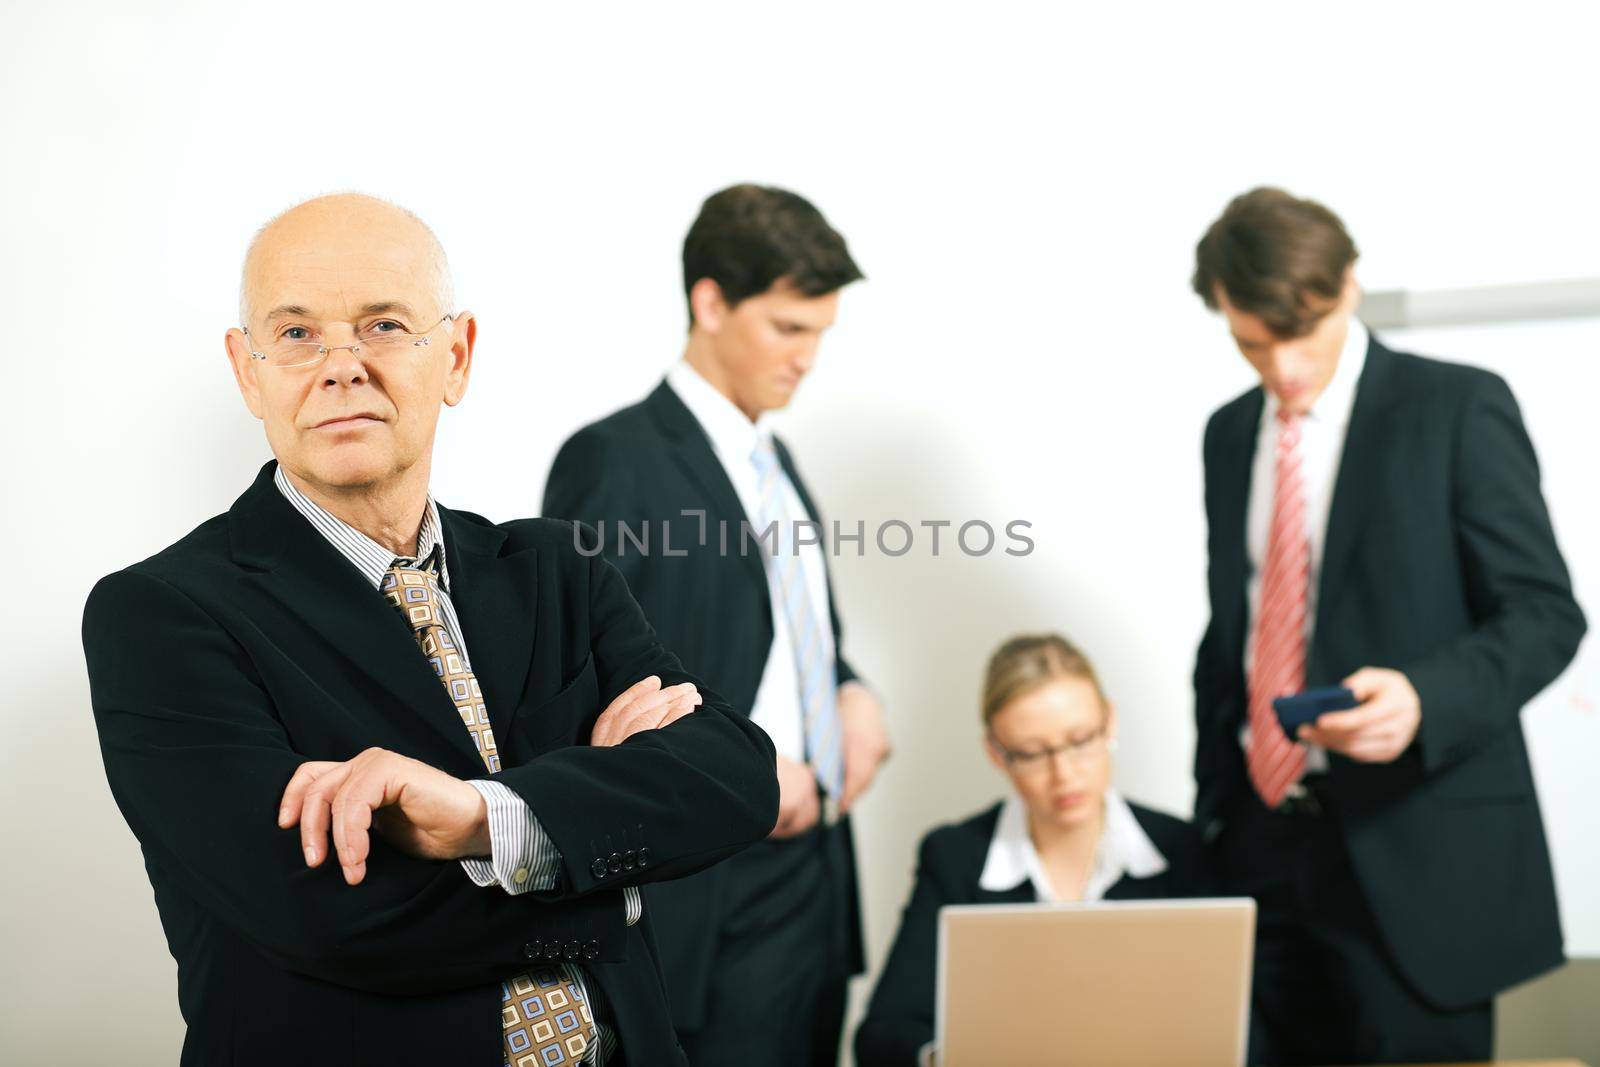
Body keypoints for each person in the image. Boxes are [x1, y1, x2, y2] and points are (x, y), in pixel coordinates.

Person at [81, 193, 779, 1067]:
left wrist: (484, 819)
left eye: (382, 325)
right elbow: (326, 913)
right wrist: (610, 870)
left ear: (456, 355)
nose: (342, 367)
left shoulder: (557, 568)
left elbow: (738, 777)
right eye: (296, 334)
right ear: (247, 370)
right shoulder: (161, 616)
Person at [1190, 187, 1587, 1065]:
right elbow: (1239, 627)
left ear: (1351, 287)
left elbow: (1546, 613)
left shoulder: (1457, 408)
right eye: (1254, 343)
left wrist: (1423, 696)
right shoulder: (1227, 435)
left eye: (1305, 333)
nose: (1286, 369)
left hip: (1416, 848)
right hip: (1260, 848)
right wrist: (1213, 810)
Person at [542, 183, 890, 1066]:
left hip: (815, 885)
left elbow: (800, 635)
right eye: (787, 328)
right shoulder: (612, 460)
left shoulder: (776, 460)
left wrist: (852, 691)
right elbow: (581, 686)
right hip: (708, 895)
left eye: (820, 332)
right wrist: (734, 767)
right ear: (709, 302)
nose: (808, 357)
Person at [853, 633, 1210, 1067]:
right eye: (1032, 754)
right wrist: (949, 1057)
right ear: (996, 753)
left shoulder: (1182, 848)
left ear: (1109, 722)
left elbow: (1239, 1025)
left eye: (1081, 740)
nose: (1063, 774)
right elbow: (884, 1034)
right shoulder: (956, 857)